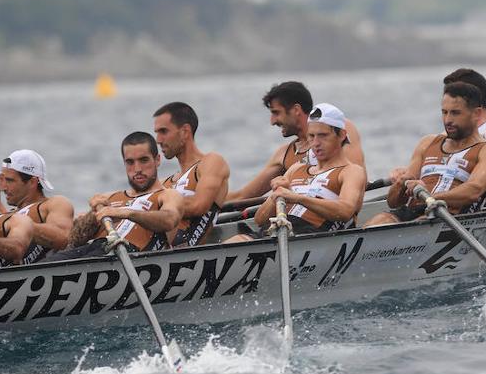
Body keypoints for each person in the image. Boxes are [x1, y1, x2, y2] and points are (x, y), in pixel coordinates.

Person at [365, 81, 486, 226]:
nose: (448, 120)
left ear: (476, 113)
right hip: (414, 210)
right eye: (444, 112)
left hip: (453, 216)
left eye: (455, 113)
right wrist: (401, 183)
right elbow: (393, 203)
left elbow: (473, 191)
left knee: (420, 224)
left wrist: (429, 196)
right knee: (378, 221)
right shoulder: (427, 143)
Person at [226, 107, 367, 241]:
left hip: (313, 236)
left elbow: (345, 211)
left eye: (323, 136)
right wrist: (276, 196)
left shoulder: (351, 171)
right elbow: (260, 220)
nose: (316, 143)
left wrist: (297, 198)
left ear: (341, 135)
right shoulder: (296, 169)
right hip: (276, 233)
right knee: (236, 240)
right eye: (311, 136)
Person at [43, 132, 184, 261]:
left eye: (143, 160)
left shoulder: (168, 195)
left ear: (157, 160)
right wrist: (92, 216)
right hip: (95, 249)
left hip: (128, 256)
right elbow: (74, 241)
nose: (137, 169)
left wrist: (125, 213)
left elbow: (169, 220)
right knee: (48, 262)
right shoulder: (110, 198)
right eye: (130, 162)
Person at [227, 81, 366, 201]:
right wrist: (209, 197)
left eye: (276, 113)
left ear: (296, 110)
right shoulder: (283, 154)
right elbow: (243, 196)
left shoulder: (340, 128)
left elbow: (356, 182)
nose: (272, 121)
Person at [153, 101, 230, 247]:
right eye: (156, 133)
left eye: (163, 132)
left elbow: (198, 205)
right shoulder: (166, 183)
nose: (158, 140)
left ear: (185, 132)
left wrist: (145, 212)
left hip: (184, 253)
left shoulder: (211, 162)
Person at [0, 149, 74, 261]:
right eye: (2, 180)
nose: (3, 187)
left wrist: (23, 226)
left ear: (32, 182)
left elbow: (63, 239)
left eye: (10, 180)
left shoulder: (54, 203)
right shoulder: (8, 215)